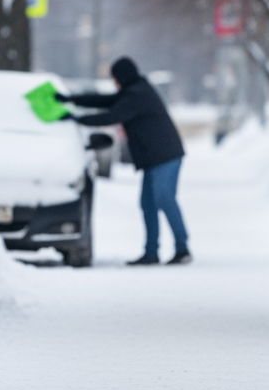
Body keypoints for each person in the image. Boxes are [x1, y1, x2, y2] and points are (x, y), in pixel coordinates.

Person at [57, 57, 190, 265]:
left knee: (164, 199)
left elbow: (111, 116)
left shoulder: (138, 95)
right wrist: (70, 99)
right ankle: (151, 252)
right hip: (154, 158)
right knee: (148, 204)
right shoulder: (134, 91)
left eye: (115, 79)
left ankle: (183, 249)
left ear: (123, 77)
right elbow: (104, 100)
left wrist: (77, 119)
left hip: (166, 156)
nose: (114, 83)